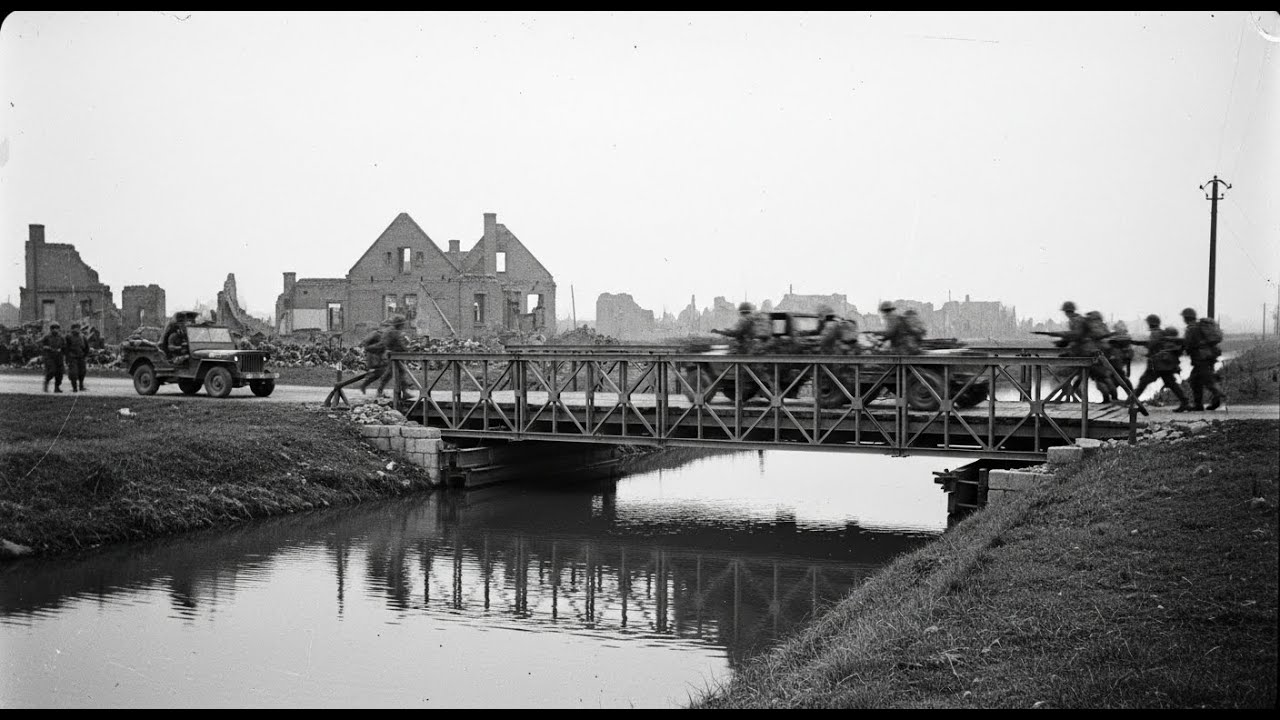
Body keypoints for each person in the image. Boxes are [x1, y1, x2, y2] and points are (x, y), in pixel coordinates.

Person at [1131, 314, 1192, 411]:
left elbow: (1151, 345)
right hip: (1165, 365)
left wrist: (1136, 343)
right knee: (1171, 383)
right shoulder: (1161, 333)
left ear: (1150, 323)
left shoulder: (1155, 333)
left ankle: (1130, 401)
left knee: (1143, 382)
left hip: (1157, 365)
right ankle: (1185, 402)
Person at [1180, 307, 1225, 411]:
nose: (1183, 319)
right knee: (1195, 380)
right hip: (1209, 356)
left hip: (1200, 357)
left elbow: (1188, 343)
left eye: (1184, 317)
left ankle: (1218, 394)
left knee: (1206, 379)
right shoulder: (1198, 326)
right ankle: (1200, 404)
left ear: (1187, 318)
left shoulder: (1191, 328)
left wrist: (1180, 347)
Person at [376, 315, 412, 398]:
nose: (404, 325)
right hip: (395, 356)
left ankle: (403, 391)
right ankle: (403, 391)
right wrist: (408, 348)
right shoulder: (395, 332)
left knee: (395, 373)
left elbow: (384, 343)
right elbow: (401, 344)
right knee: (398, 372)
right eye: (402, 324)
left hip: (394, 355)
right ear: (400, 324)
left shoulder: (390, 331)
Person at [358, 322, 388, 394]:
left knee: (383, 372)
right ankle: (365, 385)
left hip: (380, 356)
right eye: (386, 326)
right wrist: (370, 348)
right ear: (382, 327)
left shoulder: (385, 335)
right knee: (380, 372)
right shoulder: (376, 333)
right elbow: (365, 341)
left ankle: (377, 389)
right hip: (373, 356)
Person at [38, 321, 67, 393]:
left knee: (59, 373)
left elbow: (65, 346)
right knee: (51, 371)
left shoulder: (61, 337)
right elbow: (40, 344)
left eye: (57, 328)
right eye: (53, 328)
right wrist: (46, 347)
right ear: (51, 329)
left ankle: (57, 387)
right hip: (49, 356)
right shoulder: (47, 337)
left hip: (59, 357)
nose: (55, 330)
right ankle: (46, 383)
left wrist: (62, 350)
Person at [63, 323, 90, 392]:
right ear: (72, 329)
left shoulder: (83, 337)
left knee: (82, 372)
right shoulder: (68, 337)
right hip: (72, 357)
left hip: (81, 357)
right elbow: (66, 348)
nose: (77, 329)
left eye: (78, 328)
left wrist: (85, 355)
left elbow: (87, 347)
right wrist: (67, 357)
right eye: (75, 328)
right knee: (73, 373)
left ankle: (81, 386)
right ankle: (74, 387)